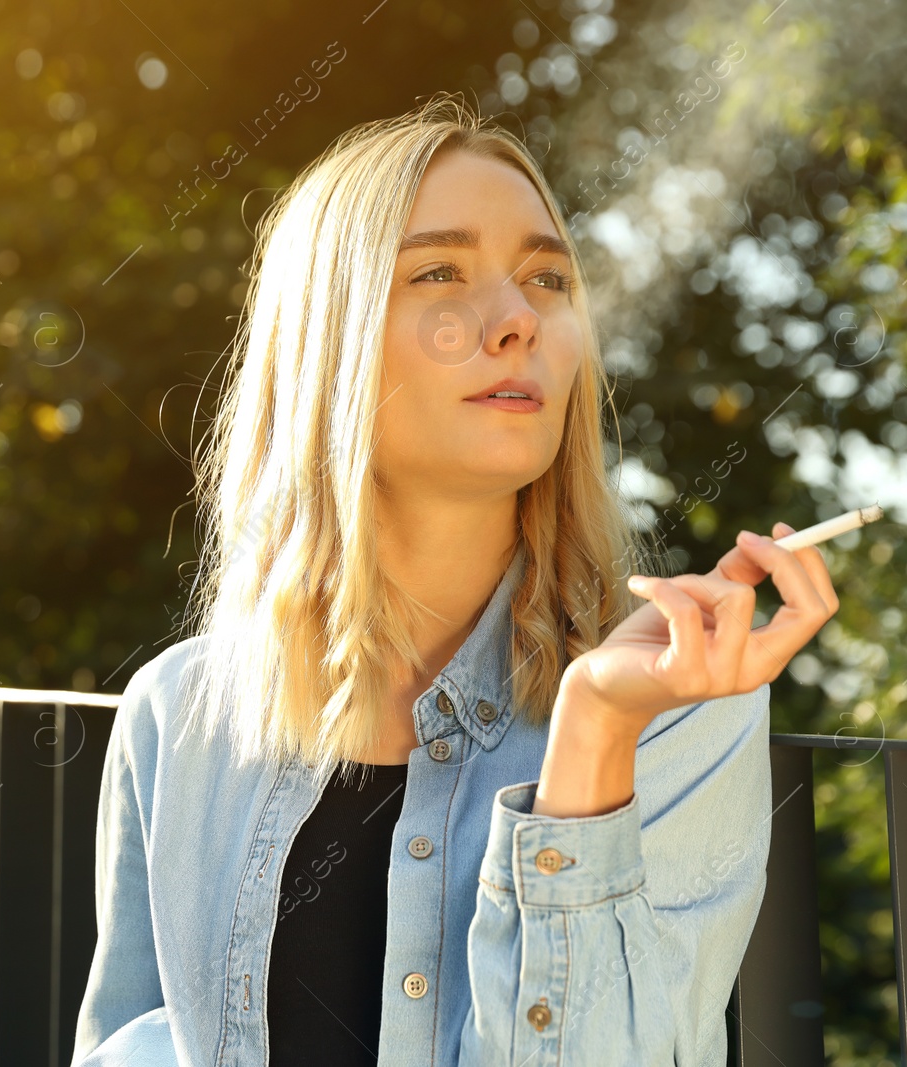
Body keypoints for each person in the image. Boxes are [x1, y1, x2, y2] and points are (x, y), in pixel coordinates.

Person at [70, 92, 839, 1066]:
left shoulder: (677, 700)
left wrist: (594, 730)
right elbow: (134, 1044)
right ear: (326, 336)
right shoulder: (180, 708)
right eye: (437, 270)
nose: (517, 318)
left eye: (546, 279)